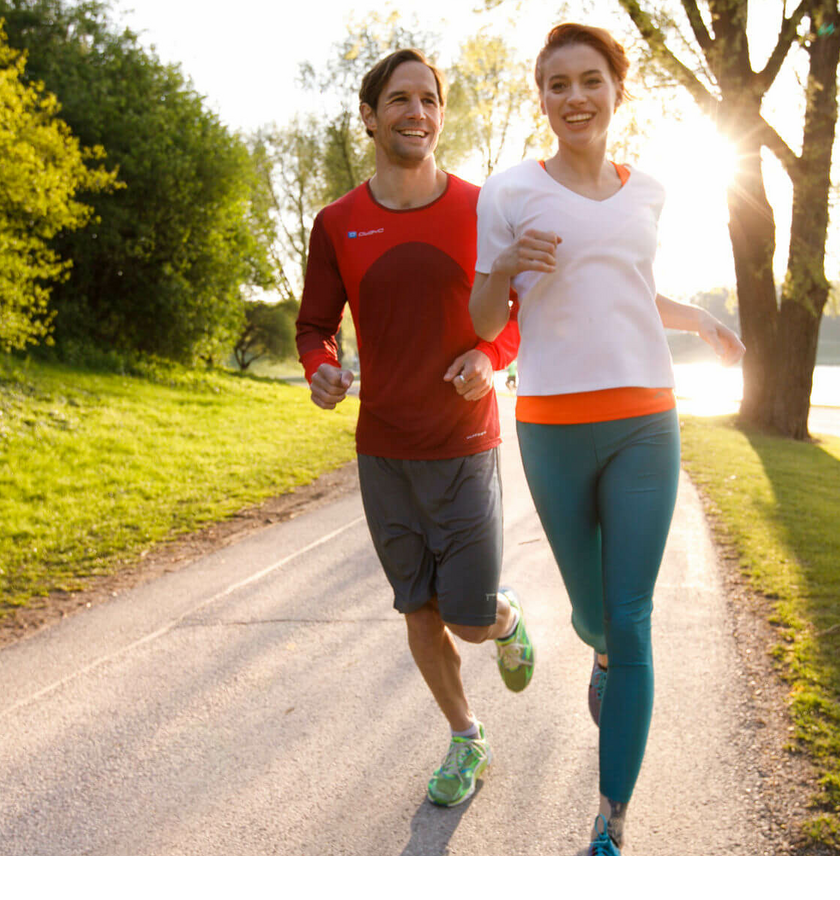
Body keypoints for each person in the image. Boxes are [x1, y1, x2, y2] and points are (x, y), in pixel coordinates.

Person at [469, 23, 745, 855]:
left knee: (631, 617)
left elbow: (627, 287)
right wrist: (506, 261)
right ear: (542, 98)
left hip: (645, 424)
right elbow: (484, 321)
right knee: (594, 615)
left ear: (619, 92)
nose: (575, 97)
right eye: (557, 84)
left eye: (591, 80)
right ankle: (596, 652)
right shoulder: (509, 192)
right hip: (552, 426)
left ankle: (610, 822)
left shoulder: (649, 190)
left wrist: (695, 316)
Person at [296, 49, 532, 809]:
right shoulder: (337, 222)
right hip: (383, 452)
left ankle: (504, 618)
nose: (418, 112)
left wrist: (490, 359)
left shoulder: (480, 207)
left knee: (464, 617)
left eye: (429, 100)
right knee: (416, 608)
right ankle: (467, 736)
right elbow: (313, 326)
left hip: (464, 443)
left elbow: (513, 316)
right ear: (369, 116)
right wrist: (320, 370)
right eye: (400, 99)